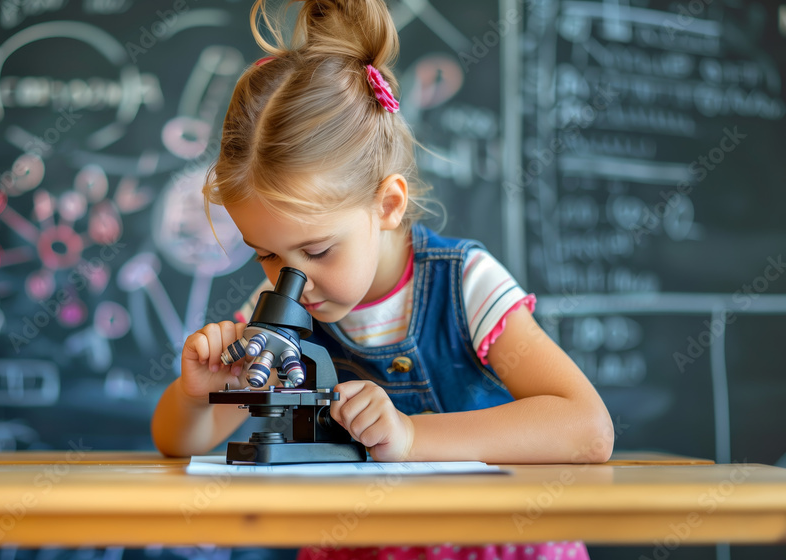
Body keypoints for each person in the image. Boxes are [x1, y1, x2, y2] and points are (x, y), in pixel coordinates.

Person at [152, 1, 614, 558]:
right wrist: (196, 397)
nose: (293, 281)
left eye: (318, 249)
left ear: (388, 204)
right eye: (266, 255)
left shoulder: (466, 283)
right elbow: (179, 444)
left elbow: (587, 429)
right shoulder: (280, 311)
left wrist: (413, 438)